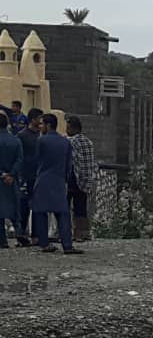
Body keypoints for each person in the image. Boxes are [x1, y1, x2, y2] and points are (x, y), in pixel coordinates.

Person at [32, 113, 81, 255]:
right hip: (58, 180)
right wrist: (64, 179)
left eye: (41, 124)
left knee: (41, 212)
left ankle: (44, 243)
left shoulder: (41, 141)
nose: (40, 126)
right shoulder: (65, 142)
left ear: (47, 125)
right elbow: (68, 165)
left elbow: (37, 159)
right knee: (62, 213)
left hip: (42, 180)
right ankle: (67, 245)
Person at [14, 108, 43, 247]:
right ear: (33, 119)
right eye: (40, 119)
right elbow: (18, 155)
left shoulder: (42, 136)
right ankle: (21, 235)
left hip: (38, 175)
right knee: (23, 206)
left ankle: (36, 236)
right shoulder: (21, 135)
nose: (41, 122)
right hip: (25, 175)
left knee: (37, 206)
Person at [65, 115, 96, 243]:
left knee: (65, 206)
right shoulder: (89, 142)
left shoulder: (70, 142)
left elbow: (70, 161)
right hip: (85, 179)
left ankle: (66, 232)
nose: (66, 129)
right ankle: (80, 234)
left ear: (72, 128)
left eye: (67, 127)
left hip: (72, 177)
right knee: (80, 207)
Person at [0, 113, 22, 248]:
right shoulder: (16, 140)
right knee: (15, 208)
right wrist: (11, 174)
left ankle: (2, 240)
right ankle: (20, 234)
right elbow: (20, 160)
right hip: (12, 180)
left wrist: (2, 174)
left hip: (1, 178)